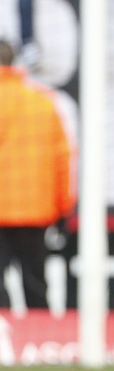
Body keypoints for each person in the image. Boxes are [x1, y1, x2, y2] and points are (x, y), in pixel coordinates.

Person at [0, 39, 74, 311]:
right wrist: (64, 206)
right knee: (35, 283)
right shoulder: (43, 103)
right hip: (35, 210)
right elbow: (62, 157)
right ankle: (38, 343)